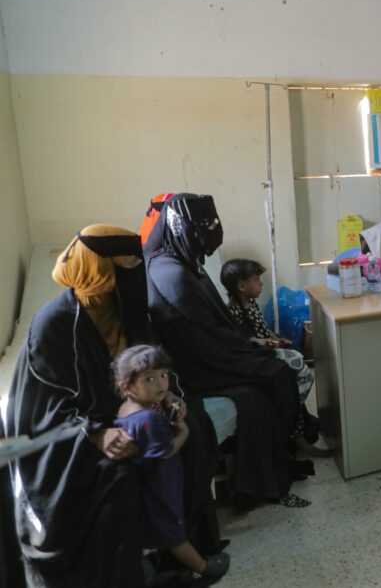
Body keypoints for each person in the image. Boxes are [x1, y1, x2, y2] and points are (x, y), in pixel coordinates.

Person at [3, 224, 222, 586]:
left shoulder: (124, 309)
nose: (138, 270)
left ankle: (177, 546)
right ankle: (132, 573)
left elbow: (149, 364)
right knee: (116, 477)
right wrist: (96, 434)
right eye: (129, 263)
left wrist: (167, 396)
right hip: (65, 432)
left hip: (124, 409)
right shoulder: (55, 322)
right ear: (100, 269)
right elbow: (44, 406)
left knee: (195, 430)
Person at [144, 193, 311, 510]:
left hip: (214, 351)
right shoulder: (171, 273)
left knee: (268, 381)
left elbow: (215, 323)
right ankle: (274, 467)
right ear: (183, 227)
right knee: (277, 375)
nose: (213, 230)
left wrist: (248, 342)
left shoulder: (186, 262)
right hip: (200, 365)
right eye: (205, 224)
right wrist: (245, 347)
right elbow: (198, 338)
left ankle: (276, 462)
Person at [113, 345, 230, 585]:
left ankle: (159, 571)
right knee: (173, 531)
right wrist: (183, 432)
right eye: (150, 379)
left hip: (146, 483)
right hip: (162, 482)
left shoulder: (127, 409)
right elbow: (165, 452)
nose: (161, 384)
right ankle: (204, 568)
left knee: (160, 528)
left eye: (164, 375)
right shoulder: (147, 419)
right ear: (126, 386)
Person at [220, 258, 317, 441]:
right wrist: (268, 343)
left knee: (296, 370)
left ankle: (296, 420)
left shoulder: (252, 305)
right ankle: (291, 421)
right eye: (256, 280)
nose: (261, 283)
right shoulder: (232, 313)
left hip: (269, 353)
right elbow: (247, 344)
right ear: (242, 286)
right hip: (259, 360)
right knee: (300, 371)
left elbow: (264, 330)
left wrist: (277, 340)